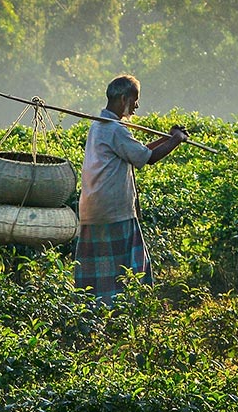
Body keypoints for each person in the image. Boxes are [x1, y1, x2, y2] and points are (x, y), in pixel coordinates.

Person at [74, 74, 188, 305]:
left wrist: (167, 138)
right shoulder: (114, 130)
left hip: (93, 209)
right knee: (128, 269)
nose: (136, 105)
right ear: (124, 99)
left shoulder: (100, 126)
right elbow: (149, 158)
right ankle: (123, 311)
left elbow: (138, 151)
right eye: (135, 100)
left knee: (100, 273)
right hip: (113, 212)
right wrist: (176, 140)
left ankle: (98, 311)